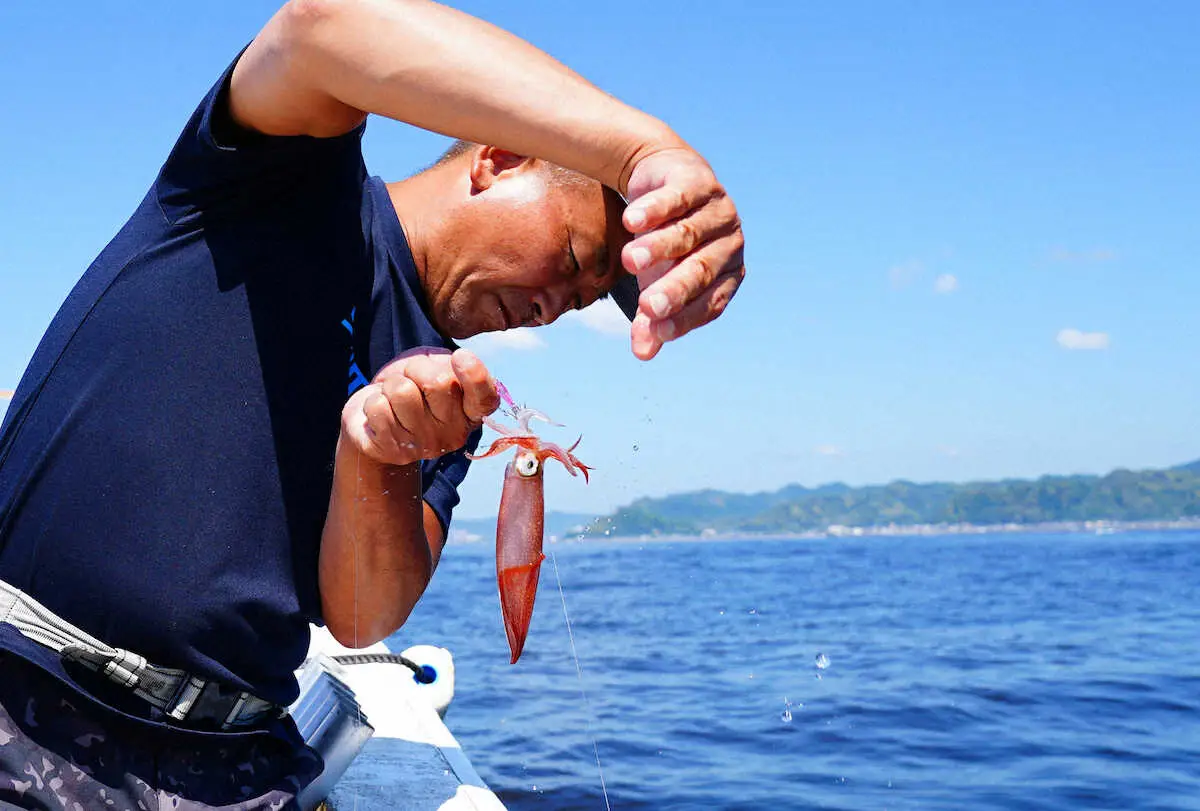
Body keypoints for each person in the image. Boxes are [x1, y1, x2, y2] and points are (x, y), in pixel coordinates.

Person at [0, 0, 745, 807]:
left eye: (580, 303)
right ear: (498, 160)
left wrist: (377, 459)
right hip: (25, 701)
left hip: (231, 772)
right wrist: (643, 149)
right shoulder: (284, 181)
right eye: (571, 259)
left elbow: (359, 615)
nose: (553, 307)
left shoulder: (450, 407)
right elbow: (321, 27)